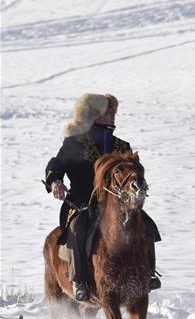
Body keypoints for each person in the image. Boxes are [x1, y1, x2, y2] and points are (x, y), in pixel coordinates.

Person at [45, 93, 161, 301]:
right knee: (78, 227)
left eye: (113, 111)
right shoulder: (74, 143)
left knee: (148, 226)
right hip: (82, 202)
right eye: (107, 112)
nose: (112, 115)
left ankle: (149, 274)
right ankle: (79, 279)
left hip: (118, 203)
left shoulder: (122, 146)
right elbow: (56, 165)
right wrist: (55, 181)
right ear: (92, 114)